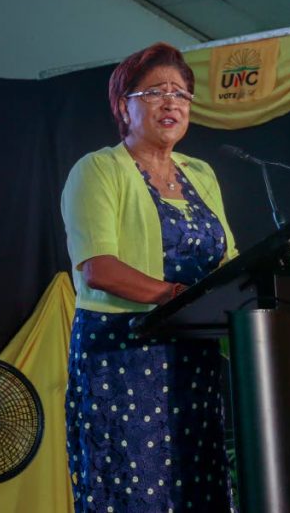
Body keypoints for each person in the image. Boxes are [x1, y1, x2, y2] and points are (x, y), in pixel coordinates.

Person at [61, 43, 238, 512]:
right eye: (156, 92)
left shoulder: (201, 173)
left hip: (193, 357)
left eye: (181, 94)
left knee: (197, 486)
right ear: (125, 105)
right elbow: (98, 266)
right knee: (133, 490)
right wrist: (178, 296)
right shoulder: (98, 169)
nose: (172, 103)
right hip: (123, 355)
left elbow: (230, 259)